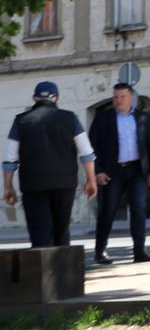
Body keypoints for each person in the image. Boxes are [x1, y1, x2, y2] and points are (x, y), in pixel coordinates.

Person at [3, 82, 97, 247]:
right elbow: (86, 153)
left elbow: (10, 159)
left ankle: (41, 271)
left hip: (33, 185)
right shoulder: (70, 118)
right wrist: (91, 180)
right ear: (57, 99)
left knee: (40, 232)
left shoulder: (21, 121)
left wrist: (8, 187)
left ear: (34, 99)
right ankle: (62, 271)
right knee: (61, 230)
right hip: (64, 184)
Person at [88, 83, 150, 264]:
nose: (118, 100)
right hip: (112, 172)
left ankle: (139, 251)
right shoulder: (103, 118)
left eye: (122, 97)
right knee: (108, 210)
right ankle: (100, 251)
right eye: (115, 97)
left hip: (137, 170)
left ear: (131, 98)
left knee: (138, 210)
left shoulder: (143, 118)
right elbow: (92, 146)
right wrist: (97, 171)